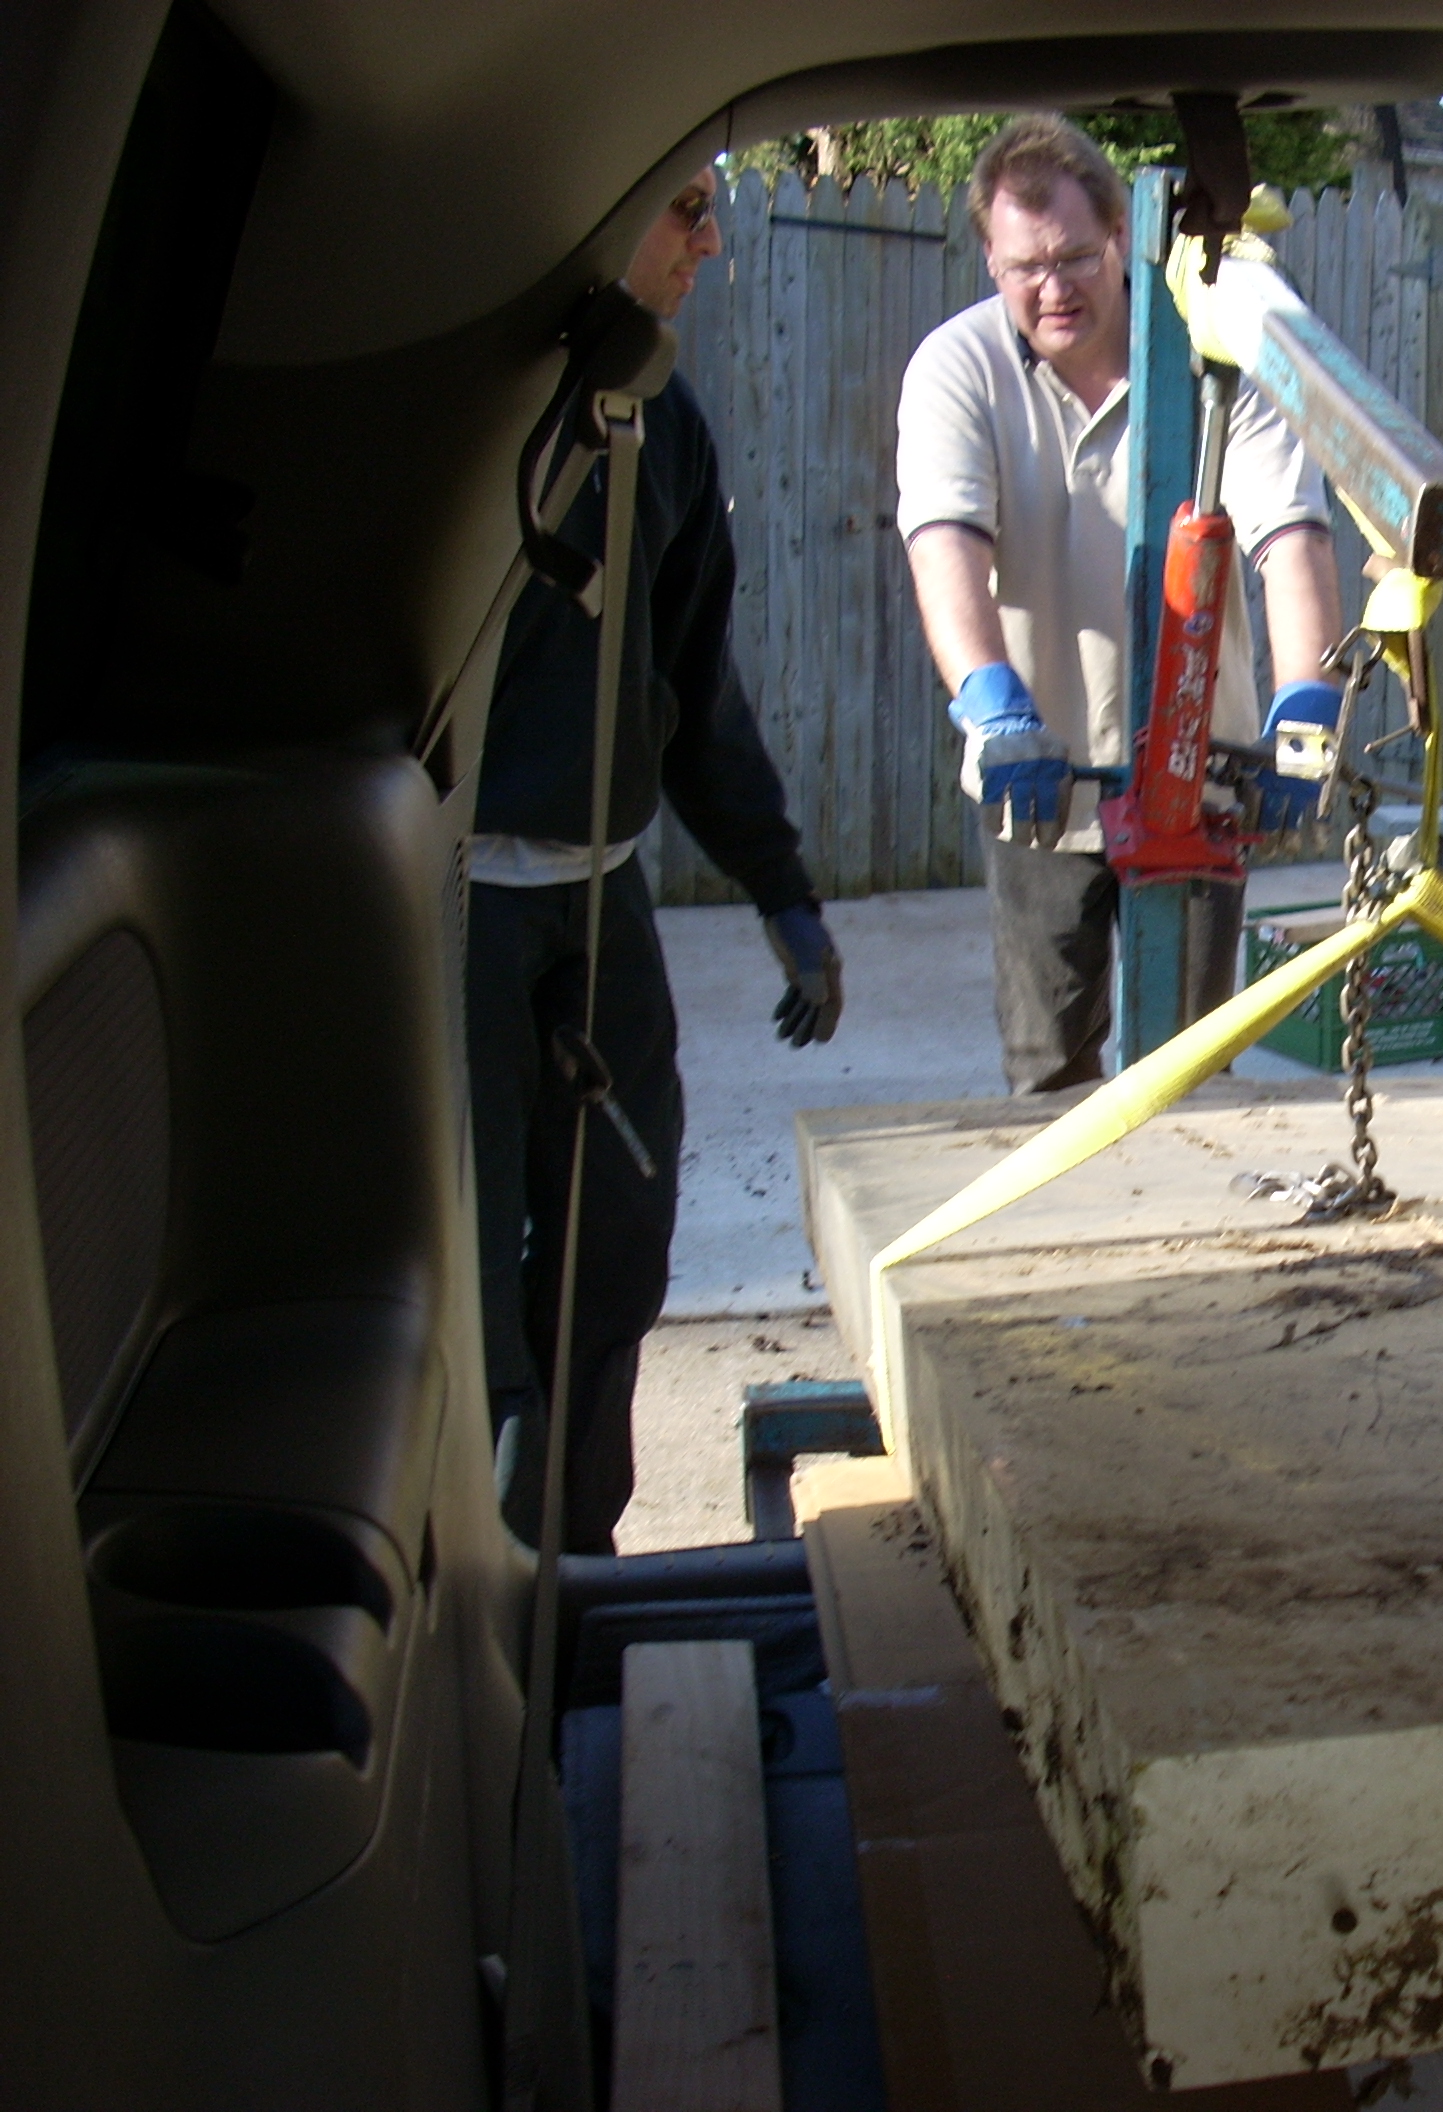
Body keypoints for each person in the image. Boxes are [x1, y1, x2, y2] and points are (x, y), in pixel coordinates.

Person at [468, 164, 844, 1553]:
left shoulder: (663, 428)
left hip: (600, 905)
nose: (710, 239)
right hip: (456, 916)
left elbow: (692, 690)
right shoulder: (466, 427)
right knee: (472, 1277)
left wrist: (782, 892)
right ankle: (487, 1581)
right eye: (683, 204)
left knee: (615, 1250)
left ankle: (578, 1565)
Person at [894, 115, 1347, 1092]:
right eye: (1024, 267)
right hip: (1039, 787)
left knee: (1190, 1075)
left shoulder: (1218, 355)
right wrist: (992, 705)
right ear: (989, 259)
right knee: (1047, 1073)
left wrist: (1307, 708)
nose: (1051, 288)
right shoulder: (956, 368)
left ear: (1119, 236)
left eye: (1072, 257)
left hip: (1201, 778)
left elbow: (1292, 539)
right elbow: (945, 548)